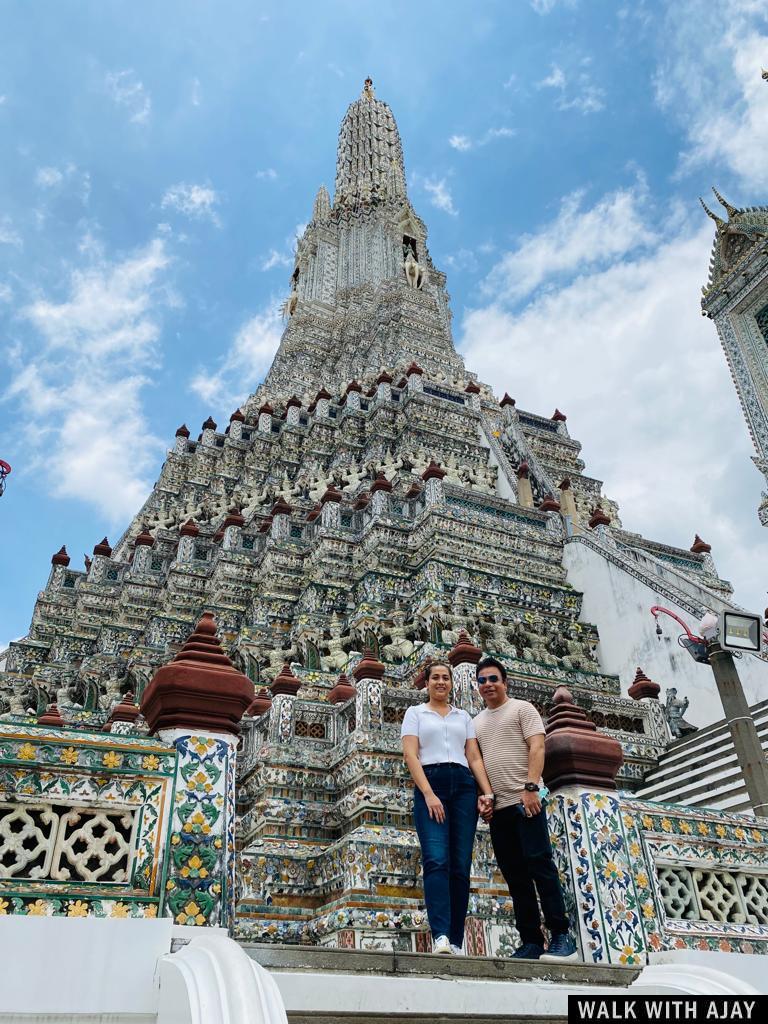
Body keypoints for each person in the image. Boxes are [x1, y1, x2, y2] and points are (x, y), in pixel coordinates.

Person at [473, 656, 578, 962]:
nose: (488, 685)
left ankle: (561, 934)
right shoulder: (477, 723)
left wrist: (532, 787)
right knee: (515, 875)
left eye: (493, 679)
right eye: (482, 681)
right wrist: (485, 797)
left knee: (540, 867)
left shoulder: (522, 709)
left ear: (505, 682)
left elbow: (537, 746)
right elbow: (478, 763)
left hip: (526, 801)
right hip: (499, 808)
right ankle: (531, 939)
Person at [401, 659, 494, 955]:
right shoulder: (415, 714)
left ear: (452, 683)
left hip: (463, 787)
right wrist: (428, 793)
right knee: (436, 860)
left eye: (446, 678)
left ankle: (455, 940)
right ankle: (439, 934)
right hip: (432, 783)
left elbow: (474, 757)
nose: (441, 682)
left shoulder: (463, 717)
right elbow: (411, 756)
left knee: (460, 866)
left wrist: (487, 792)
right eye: (435, 678)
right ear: (426, 683)